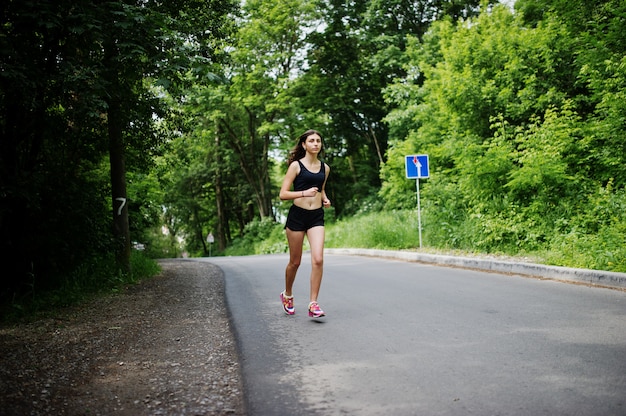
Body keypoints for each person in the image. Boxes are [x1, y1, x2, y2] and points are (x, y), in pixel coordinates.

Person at [279, 129, 331, 318]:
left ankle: (313, 303)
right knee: (295, 262)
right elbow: (283, 194)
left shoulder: (325, 168)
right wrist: (304, 193)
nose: (316, 144)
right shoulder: (296, 166)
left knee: (318, 259)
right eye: (311, 141)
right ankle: (287, 294)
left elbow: (322, 189)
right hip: (298, 216)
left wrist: (325, 199)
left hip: (316, 217)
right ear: (304, 145)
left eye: (318, 140)